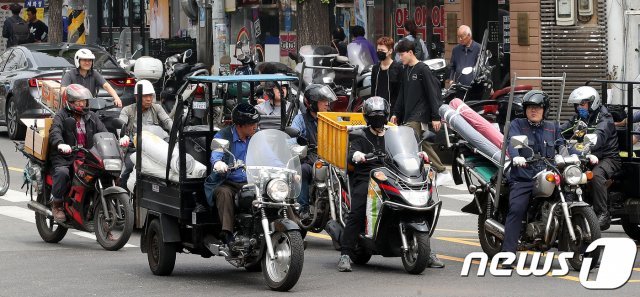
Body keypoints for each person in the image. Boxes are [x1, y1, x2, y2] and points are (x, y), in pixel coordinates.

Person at [337, 96, 444, 272]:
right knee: (358, 210)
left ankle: (427, 250)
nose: (378, 118)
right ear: (367, 116)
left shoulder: (393, 133)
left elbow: (406, 150)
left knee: (422, 204)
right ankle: (346, 254)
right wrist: (358, 155)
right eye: (374, 115)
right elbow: (352, 153)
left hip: (393, 175)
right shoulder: (359, 134)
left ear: (387, 115)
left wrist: (419, 155)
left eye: (381, 114)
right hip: (368, 176)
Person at [501, 90, 592, 267]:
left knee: (570, 196)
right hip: (524, 176)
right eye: (529, 108)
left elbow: (562, 146)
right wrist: (515, 157)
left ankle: (582, 251)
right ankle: (507, 255)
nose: (533, 111)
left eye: (537, 107)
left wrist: (583, 155)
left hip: (548, 173)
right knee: (517, 208)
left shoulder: (552, 127)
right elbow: (512, 143)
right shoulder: (517, 124)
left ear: (545, 109)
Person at [48, 84, 113, 222]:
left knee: (106, 173)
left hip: (87, 156)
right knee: (62, 173)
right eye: (79, 101)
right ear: (69, 102)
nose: (83, 104)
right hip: (66, 157)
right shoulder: (61, 115)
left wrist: (114, 143)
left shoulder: (92, 116)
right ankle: (57, 204)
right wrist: (61, 144)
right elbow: (55, 131)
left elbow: (104, 132)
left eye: (84, 101)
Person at [390, 39, 450, 184]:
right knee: (420, 143)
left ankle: (439, 171)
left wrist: (436, 116)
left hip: (419, 114)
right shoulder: (406, 71)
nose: (400, 57)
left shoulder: (423, 69)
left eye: (402, 54)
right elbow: (402, 95)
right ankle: (438, 170)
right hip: (409, 114)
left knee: (409, 141)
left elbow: (432, 93)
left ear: (410, 53)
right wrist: (396, 113)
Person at [561, 86, 621, 230]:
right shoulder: (580, 118)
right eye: (577, 105)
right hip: (586, 156)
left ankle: (602, 214)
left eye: (583, 104)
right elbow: (561, 130)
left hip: (608, 158)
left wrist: (589, 148)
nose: (579, 107)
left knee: (596, 175)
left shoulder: (605, 118)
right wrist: (549, 135)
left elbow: (599, 137)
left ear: (592, 103)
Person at [203, 103, 260, 244]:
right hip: (226, 181)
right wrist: (218, 163)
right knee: (224, 193)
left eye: (256, 123)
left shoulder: (257, 137)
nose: (255, 126)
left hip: (252, 181)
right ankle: (227, 233)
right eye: (251, 123)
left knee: (275, 192)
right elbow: (216, 154)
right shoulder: (223, 135)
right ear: (239, 125)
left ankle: (294, 225)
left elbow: (270, 155)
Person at [290, 84, 337, 217]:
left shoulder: (333, 119)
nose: (326, 104)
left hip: (332, 161)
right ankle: (303, 208)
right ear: (310, 103)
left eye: (327, 101)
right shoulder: (300, 119)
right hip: (311, 161)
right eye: (322, 101)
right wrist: (297, 147)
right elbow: (292, 140)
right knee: (303, 170)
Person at [118, 80, 173, 188]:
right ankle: (123, 195)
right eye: (145, 96)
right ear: (137, 97)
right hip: (134, 149)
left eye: (151, 96)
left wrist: (176, 131)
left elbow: (167, 121)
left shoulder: (156, 108)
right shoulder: (127, 110)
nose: (149, 99)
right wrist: (122, 136)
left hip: (155, 149)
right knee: (129, 167)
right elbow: (121, 124)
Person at [372, 36, 403, 110]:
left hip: (393, 109)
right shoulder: (375, 68)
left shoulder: (398, 68)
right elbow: (373, 90)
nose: (379, 52)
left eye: (382, 50)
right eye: (378, 50)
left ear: (390, 51)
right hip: (377, 109)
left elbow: (401, 92)